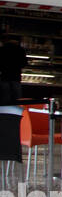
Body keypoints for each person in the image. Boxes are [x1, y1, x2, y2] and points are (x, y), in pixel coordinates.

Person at [0, 39, 26, 167]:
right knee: (17, 103)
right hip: (16, 77)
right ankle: (18, 123)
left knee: (5, 103)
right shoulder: (20, 50)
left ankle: (6, 123)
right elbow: (24, 63)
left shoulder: (2, 49)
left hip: (4, 77)